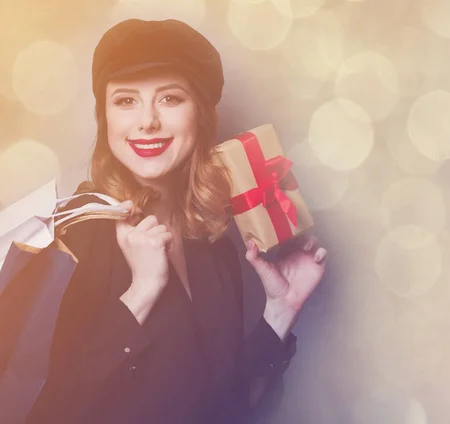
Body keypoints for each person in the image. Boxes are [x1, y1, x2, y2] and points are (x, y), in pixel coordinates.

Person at [25, 18, 327, 424]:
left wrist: (282, 308)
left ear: (199, 117)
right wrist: (142, 292)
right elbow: (45, 410)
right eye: (126, 101)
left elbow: (226, 406)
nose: (147, 121)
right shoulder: (74, 236)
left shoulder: (211, 240)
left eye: (169, 99)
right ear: (106, 120)